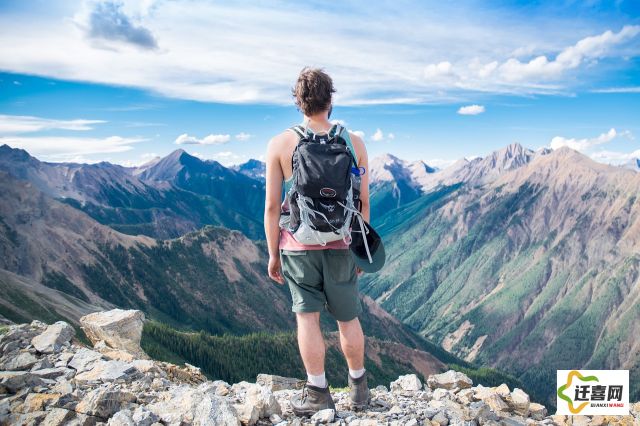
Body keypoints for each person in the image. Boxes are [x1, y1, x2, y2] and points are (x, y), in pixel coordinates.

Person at [264, 67, 371, 416]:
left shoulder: (280, 144)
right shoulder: (353, 143)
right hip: (342, 243)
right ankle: (359, 390)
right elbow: (362, 203)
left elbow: (270, 206)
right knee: (348, 318)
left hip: (297, 246)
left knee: (307, 320)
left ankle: (318, 393)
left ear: (299, 102)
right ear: (330, 98)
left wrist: (273, 255)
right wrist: (361, 249)